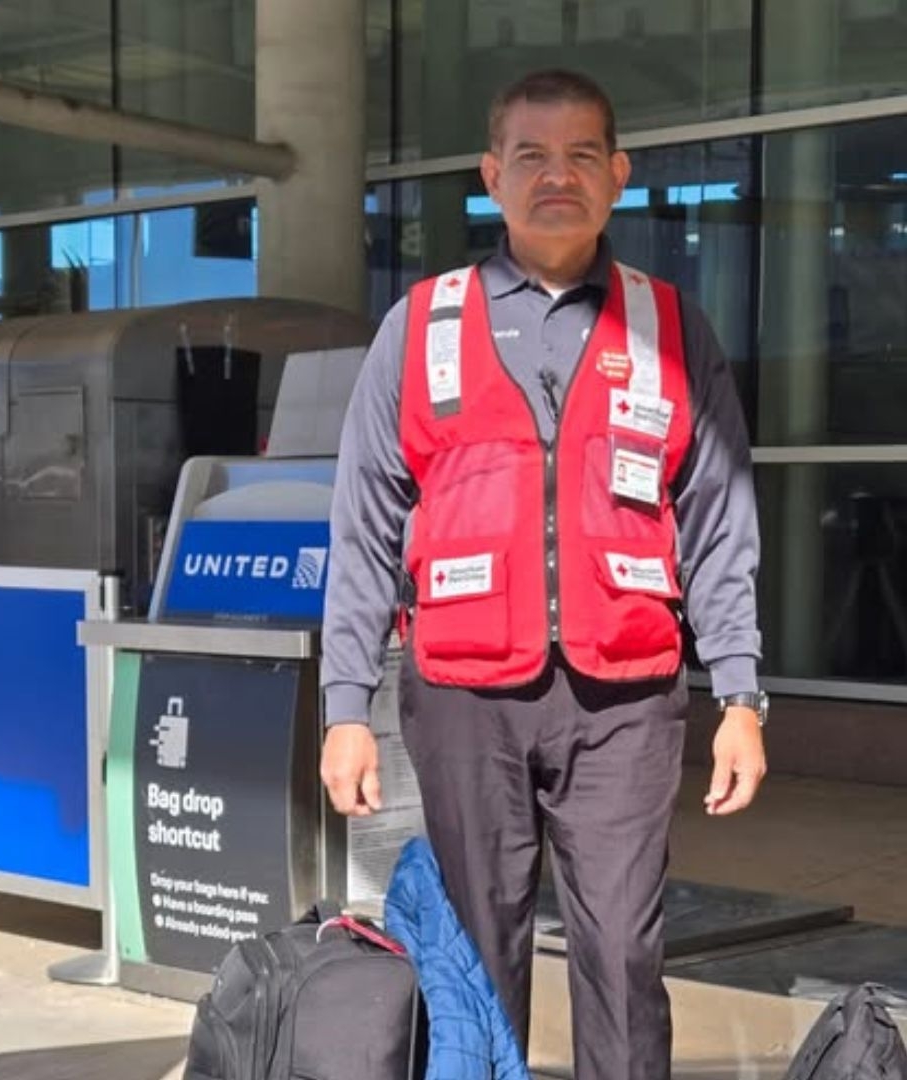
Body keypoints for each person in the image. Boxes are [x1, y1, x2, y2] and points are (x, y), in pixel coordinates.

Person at [319, 68, 767, 1080]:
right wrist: (345, 703)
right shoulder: (422, 324)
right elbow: (364, 525)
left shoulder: (670, 329)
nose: (553, 176)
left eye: (578, 156)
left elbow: (719, 521)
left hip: (626, 701)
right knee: (473, 954)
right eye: (529, 155)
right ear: (490, 175)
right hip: (465, 696)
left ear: (617, 175)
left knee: (622, 952)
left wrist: (740, 693)